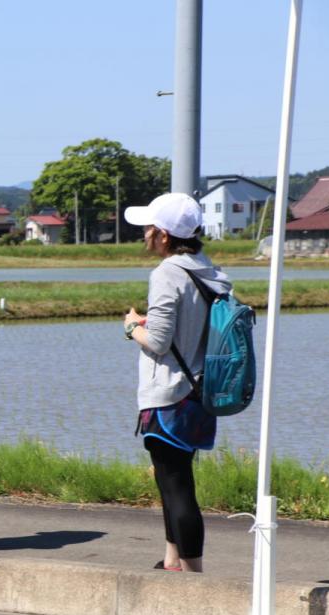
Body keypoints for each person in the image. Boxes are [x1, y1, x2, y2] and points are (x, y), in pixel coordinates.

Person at [123, 192, 232, 573]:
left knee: (176, 485)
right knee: (173, 478)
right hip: (201, 391)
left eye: (149, 228)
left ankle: (194, 574)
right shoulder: (209, 270)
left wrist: (133, 325)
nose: (145, 235)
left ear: (165, 235)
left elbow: (159, 341)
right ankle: (172, 560)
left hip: (171, 393)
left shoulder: (167, 273)